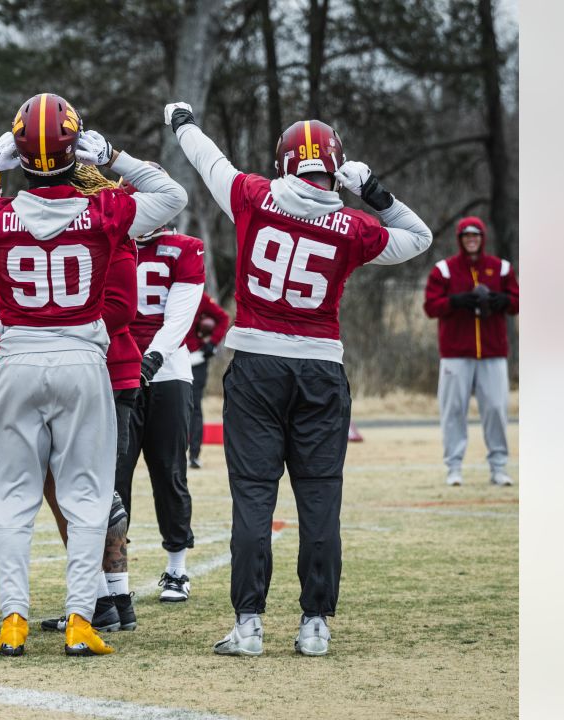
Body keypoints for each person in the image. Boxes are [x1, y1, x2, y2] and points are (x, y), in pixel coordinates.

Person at [0, 92, 186, 656]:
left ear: (19, 151)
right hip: (82, 360)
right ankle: (79, 618)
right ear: (77, 147)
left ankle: (14, 618)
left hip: (15, 358)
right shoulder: (105, 210)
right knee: (86, 495)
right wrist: (114, 158)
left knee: (12, 495)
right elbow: (172, 194)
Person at [166, 103, 432, 656]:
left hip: (258, 365)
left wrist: (184, 122)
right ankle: (315, 625)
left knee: (254, 497)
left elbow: (207, 159)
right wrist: (376, 193)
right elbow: (418, 237)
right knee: (319, 498)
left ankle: (248, 625)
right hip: (320, 369)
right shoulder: (355, 226)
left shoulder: (253, 195)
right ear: (335, 167)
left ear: (285, 162)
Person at [39, 163, 140, 634]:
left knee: (89, 490)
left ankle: (108, 600)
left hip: (105, 368)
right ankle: (112, 601)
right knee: (80, 487)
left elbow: (120, 308)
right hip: (88, 367)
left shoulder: (109, 233)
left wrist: (60, 328)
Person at [114, 198, 206, 604]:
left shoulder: (185, 248)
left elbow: (180, 316)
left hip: (167, 372)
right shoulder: (111, 241)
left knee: (169, 472)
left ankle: (177, 569)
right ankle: (114, 579)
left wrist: (151, 358)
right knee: (114, 477)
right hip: (116, 369)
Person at [423, 217, 519, 487]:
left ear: (483, 237)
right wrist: (455, 301)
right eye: (466, 236)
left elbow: (518, 301)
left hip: (492, 352)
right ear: (460, 239)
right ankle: (454, 467)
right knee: (453, 410)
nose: (472, 239)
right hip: (456, 353)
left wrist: (504, 300)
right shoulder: (444, 270)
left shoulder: (501, 269)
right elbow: (431, 307)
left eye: (476, 235)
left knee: (497, 409)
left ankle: (498, 467)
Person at [186, 295, 230, 468]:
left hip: (195, 359)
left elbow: (223, 318)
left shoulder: (199, 297)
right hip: (169, 359)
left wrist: (212, 343)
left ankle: (194, 455)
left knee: (194, 406)